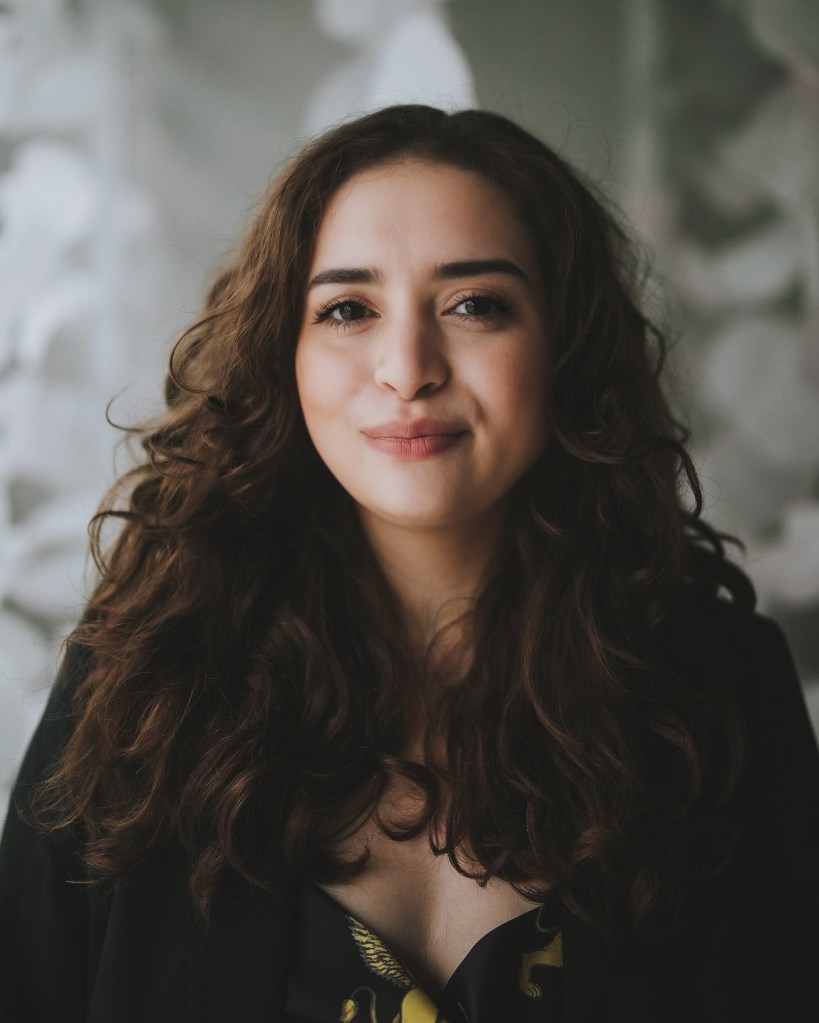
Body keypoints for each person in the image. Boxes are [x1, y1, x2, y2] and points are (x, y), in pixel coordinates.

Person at [1, 104, 817, 1023]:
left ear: (566, 346)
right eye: (348, 308)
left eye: (476, 304)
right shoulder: (138, 691)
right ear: (285, 353)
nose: (407, 366)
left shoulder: (723, 693)